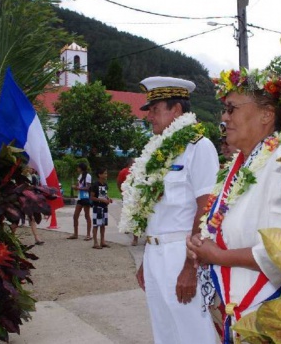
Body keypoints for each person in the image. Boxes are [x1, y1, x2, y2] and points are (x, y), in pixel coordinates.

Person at [186, 68, 281, 342]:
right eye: (224, 110)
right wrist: (202, 243)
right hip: (238, 304)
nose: (224, 117)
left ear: (267, 114)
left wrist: (216, 256)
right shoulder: (240, 164)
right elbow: (223, 224)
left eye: (232, 109)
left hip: (268, 306)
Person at [118, 76, 219, 344]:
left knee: (193, 332)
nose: (149, 116)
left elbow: (206, 208)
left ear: (176, 109)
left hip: (181, 253)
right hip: (155, 254)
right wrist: (146, 258)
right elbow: (156, 212)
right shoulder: (157, 153)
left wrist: (190, 266)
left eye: (154, 109)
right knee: (164, 332)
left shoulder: (199, 147)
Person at [11, 167, 44, 245]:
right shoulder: (18, 176)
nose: (31, 169)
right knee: (16, 220)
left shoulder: (32, 176)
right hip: (19, 200)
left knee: (31, 218)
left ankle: (36, 238)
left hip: (28, 199)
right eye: (28, 167)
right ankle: (11, 237)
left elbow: (34, 187)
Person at [117, 158, 139, 246]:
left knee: (136, 216)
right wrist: (122, 192)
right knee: (128, 214)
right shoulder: (124, 171)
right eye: (134, 163)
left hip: (137, 197)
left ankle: (135, 237)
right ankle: (128, 228)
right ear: (130, 163)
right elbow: (119, 182)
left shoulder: (138, 171)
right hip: (127, 197)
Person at [69, 162, 92, 240]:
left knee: (87, 215)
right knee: (75, 216)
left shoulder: (88, 176)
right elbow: (79, 185)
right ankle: (75, 234)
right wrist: (75, 187)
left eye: (78, 167)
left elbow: (88, 187)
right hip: (80, 197)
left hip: (85, 197)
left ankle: (88, 234)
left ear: (81, 168)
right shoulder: (80, 176)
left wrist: (78, 188)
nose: (77, 169)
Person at [90, 167, 112, 249]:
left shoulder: (105, 184)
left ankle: (102, 241)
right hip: (97, 207)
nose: (106, 175)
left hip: (104, 207)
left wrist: (108, 199)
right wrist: (101, 200)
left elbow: (105, 194)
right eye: (104, 173)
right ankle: (95, 242)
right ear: (99, 175)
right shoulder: (95, 185)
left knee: (103, 224)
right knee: (96, 224)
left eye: (106, 173)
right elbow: (92, 197)